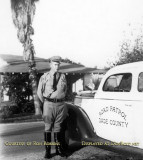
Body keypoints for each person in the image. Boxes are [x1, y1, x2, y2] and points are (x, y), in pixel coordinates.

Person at [37, 56, 67, 159]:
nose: (57, 66)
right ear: (50, 65)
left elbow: (65, 90)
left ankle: (58, 150)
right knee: (48, 128)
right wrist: (46, 103)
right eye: (55, 64)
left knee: (58, 128)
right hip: (48, 105)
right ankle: (48, 151)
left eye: (58, 64)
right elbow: (39, 93)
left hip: (60, 105)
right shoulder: (44, 77)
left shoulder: (63, 76)